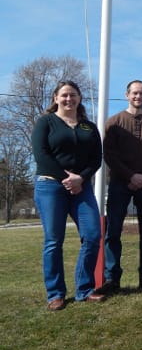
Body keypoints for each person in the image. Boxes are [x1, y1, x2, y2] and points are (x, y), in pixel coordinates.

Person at [32, 80, 105, 310]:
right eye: (64, 95)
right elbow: (41, 154)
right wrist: (66, 178)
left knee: (93, 236)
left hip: (81, 188)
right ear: (55, 98)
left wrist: (80, 179)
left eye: (73, 95)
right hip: (50, 187)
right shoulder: (46, 122)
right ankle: (55, 294)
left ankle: (84, 289)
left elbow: (96, 158)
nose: (68, 99)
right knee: (54, 240)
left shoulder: (88, 127)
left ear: (79, 98)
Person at [100, 80, 142, 293]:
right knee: (113, 232)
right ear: (127, 95)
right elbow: (109, 154)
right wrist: (130, 175)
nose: (138, 96)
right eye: (134, 93)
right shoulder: (114, 122)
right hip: (120, 183)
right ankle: (112, 279)